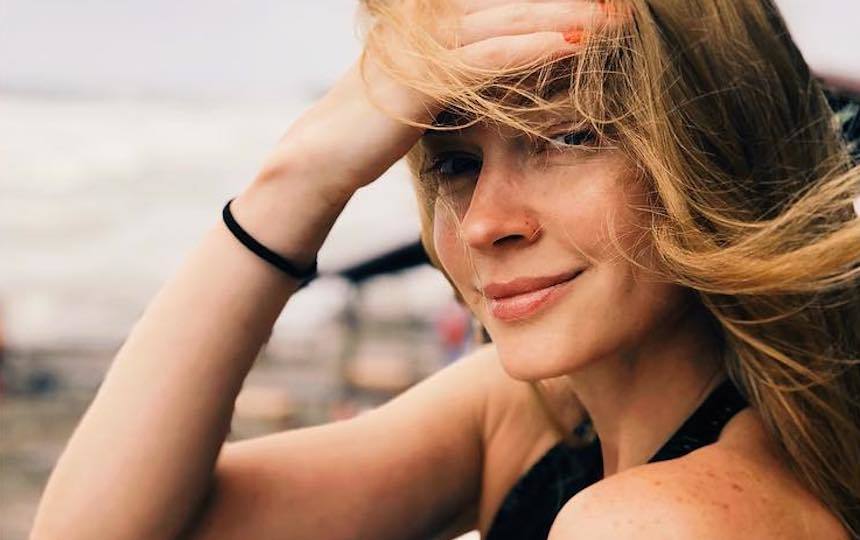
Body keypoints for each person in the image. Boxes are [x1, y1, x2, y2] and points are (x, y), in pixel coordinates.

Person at [31, 0, 859, 538]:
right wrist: (299, 178)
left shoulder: (650, 522)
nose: (487, 223)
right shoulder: (538, 413)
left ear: (720, 147)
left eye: (570, 136)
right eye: (455, 163)